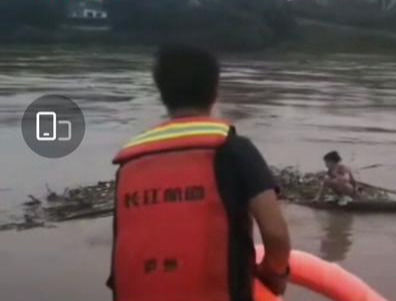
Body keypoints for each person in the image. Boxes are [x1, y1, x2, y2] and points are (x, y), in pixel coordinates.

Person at [107, 44, 291, 301]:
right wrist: (275, 274)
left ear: (161, 93)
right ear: (215, 91)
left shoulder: (130, 162)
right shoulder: (234, 150)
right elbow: (275, 233)